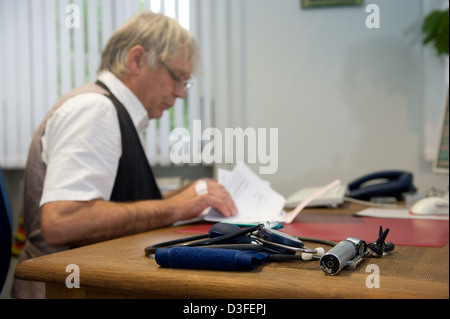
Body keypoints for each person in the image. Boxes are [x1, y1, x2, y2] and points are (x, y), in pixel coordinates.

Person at [12, 11, 237, 299]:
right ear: (137, 60)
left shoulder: (112, 110)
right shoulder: (95, 110)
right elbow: (63, 222)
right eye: (177, 78)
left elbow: (115, 203)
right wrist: (175, 208)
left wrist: (186, 195)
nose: (181, 93)